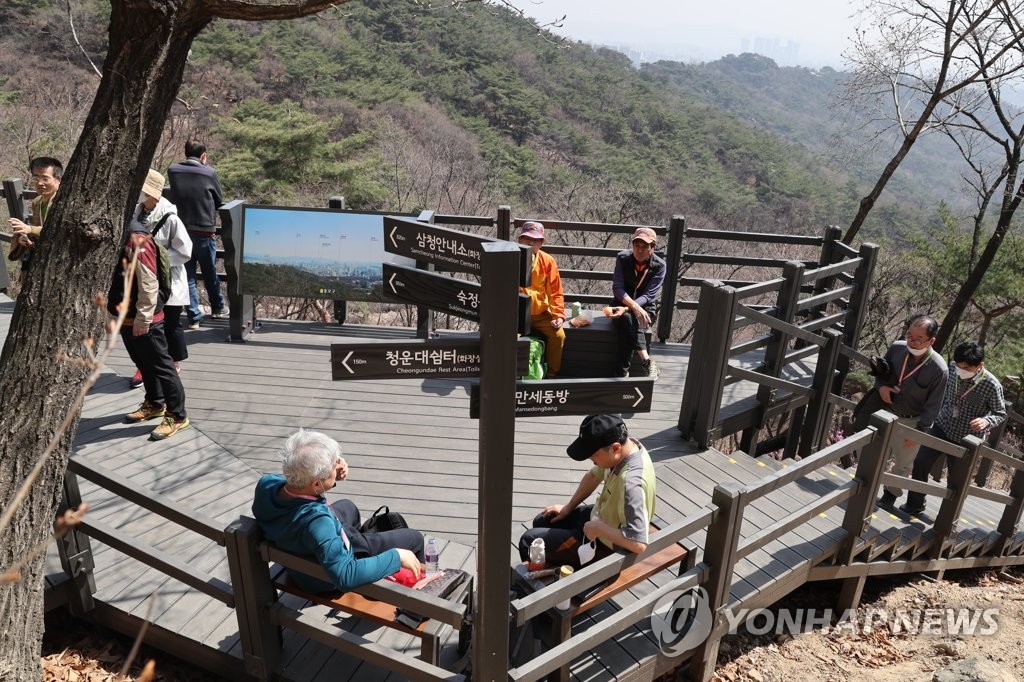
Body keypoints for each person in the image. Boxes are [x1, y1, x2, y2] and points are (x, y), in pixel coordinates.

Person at [252, 430, 424, 593]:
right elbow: (345, 576)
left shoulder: (266, 484)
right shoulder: (318, 524)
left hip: (299, 546)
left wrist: (332, 477)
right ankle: (423, 596)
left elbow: (306, 489)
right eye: (333, 467)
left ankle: (363, 549)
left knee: (348, 507)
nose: (338, 465)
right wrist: (396, 556)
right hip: (320, 578)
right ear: (317, 484)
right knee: (414, 538)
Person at [108, 176, 190, 441]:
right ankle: (154, 403)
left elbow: (149, 283)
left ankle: (177, 415)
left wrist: (144, 317)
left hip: (145, 314)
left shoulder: (136, 237)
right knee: (143, 361)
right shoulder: (124, 228)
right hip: (126, 311)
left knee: (162, 366)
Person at [518, 414, 656, 569]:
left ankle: (543, 581)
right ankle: (554, 562)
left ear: (616, 448)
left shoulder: (631, 484)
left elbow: (638, 543)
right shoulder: (628, 447)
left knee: (529, 541)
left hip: (606, 545)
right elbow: (593, 476)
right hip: (600, 518)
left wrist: (599, 528)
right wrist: (568, 507)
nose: (590, 458)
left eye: (593, 454)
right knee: (544, 520)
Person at [901, 342, 1007, 516]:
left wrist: (986, 421)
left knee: (956, 481)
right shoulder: (952, 368)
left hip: (968, 439)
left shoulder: (992, 385)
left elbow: (1000, 413)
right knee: (920, 462)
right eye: (958, 365)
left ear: (980, 365)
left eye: (966, 367)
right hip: (942, 426)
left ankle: (948, 517)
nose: (960, 370)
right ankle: (915, 505)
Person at [871, 315, 948, 511]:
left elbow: (934, 405)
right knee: (873, 451)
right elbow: (880, 373)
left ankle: (889, 495)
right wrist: (881, 387)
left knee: (903, 464)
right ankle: (865, 484)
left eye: (917, 339)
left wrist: (920, 433)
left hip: (912, 421)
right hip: (885, 411)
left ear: (932, 341)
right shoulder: (897, 349)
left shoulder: (939, 369)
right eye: (909, 336)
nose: (911, 342)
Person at [127, 169, 192, 388]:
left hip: (168, 281)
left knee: (169, 324)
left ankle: (172, 362)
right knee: (148, 327)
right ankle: (144, 366)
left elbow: (185, 251)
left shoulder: (170, 218)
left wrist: (158, 260)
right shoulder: (136, 212)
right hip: (142, 279)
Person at [167, 140, 225, 328]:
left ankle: (194, 317)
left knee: (188, 274)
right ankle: (217, 308)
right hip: (204, 230)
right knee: (210, 272)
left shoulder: (173, 171)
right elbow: (218, 200)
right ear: (203, 156)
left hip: (182, 231)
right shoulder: (209, 172)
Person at [606, 227, 665, 377]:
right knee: (629, 320)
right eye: (636, 245)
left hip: (646, 308)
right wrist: (632, 307)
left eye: (644, 246)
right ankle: (647, 361)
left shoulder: (659, 266)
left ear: (653, 247)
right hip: (620, 302)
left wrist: (629, 309)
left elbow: (649, 294)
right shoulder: (623, 258)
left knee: (628, 320)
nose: (639, 250)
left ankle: (621, 373)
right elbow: (617, 288)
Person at [518, 221, 566, 378]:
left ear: (541, 243)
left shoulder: (547, 261)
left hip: (540, 313)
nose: (531, 243)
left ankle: (552, 373)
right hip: (516, 313)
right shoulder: (510, 257)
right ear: (520, 240)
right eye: (527, 239)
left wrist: (558, 315)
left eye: (536, 240)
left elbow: (556, 291)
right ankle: (512, 373)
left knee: (559, 336)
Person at [8, 156, 62, 279]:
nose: (39, 183)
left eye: (45, 178)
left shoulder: (63, 202)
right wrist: (26, 240)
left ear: (58, 179)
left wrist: (30, 229)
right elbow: (40, 230)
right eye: (36, 178)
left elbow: (58, 231)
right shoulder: (37, 201)